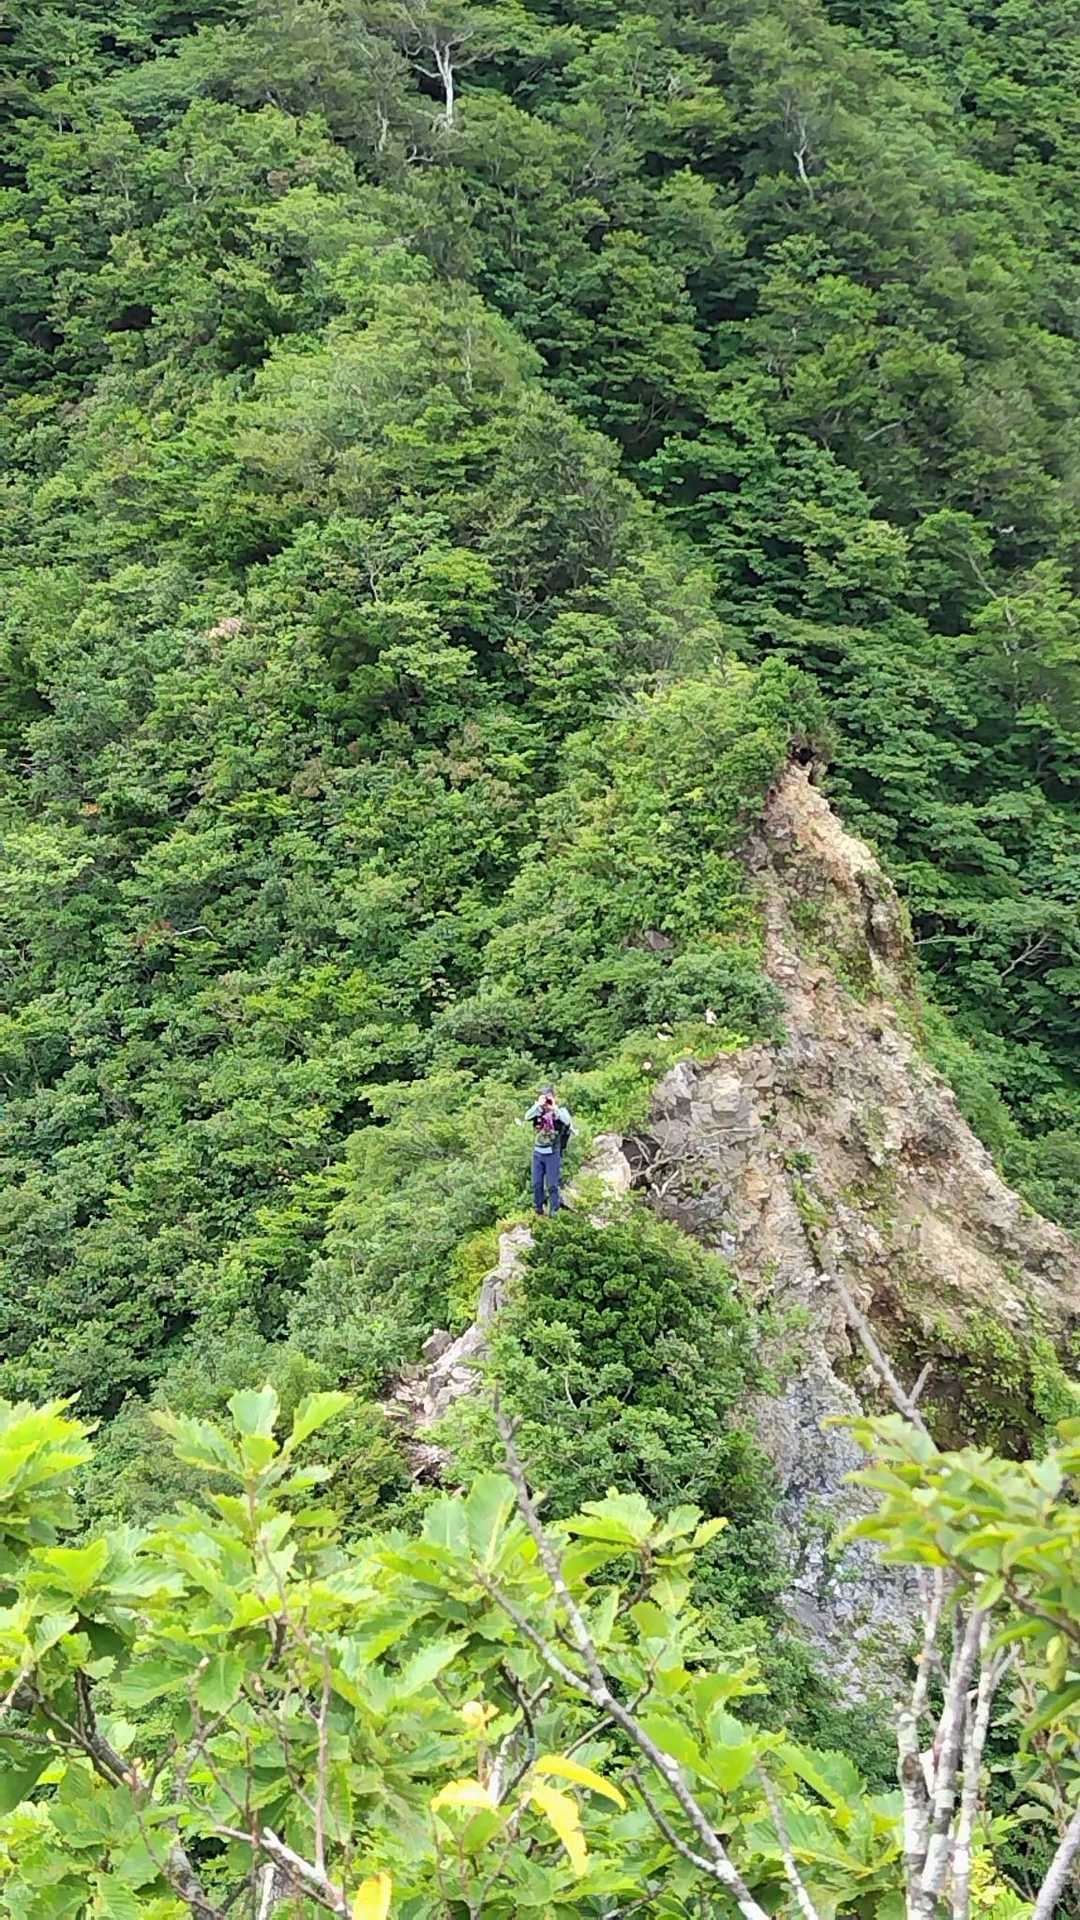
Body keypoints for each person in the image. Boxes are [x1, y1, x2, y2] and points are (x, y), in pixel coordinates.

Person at [525, 1083, 573, 1217]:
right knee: (536, 1184)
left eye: (548, 1097)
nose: (546, 1100)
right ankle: (538, 1209)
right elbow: (527, 1116)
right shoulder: (538, 1111)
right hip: (538, 1152)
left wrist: (554, 1108)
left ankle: (554, 1211)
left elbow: (567, 1121)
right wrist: (538, 1105)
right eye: (544, 1097)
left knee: (552, 1185)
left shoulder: (560, 1111)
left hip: (553, 1152)